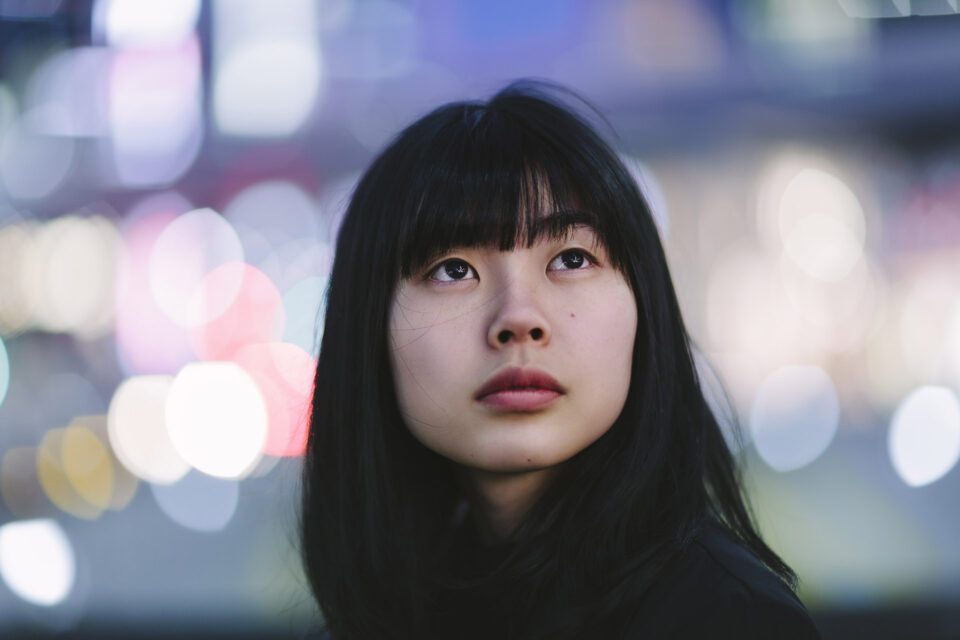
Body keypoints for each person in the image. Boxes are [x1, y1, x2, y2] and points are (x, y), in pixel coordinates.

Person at [299, 79, 823, 639]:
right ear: (367, 327)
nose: (518, 318)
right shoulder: (391, 614)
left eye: (571, 259)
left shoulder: (734, 620)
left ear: (645, 305)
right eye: (453, 270)